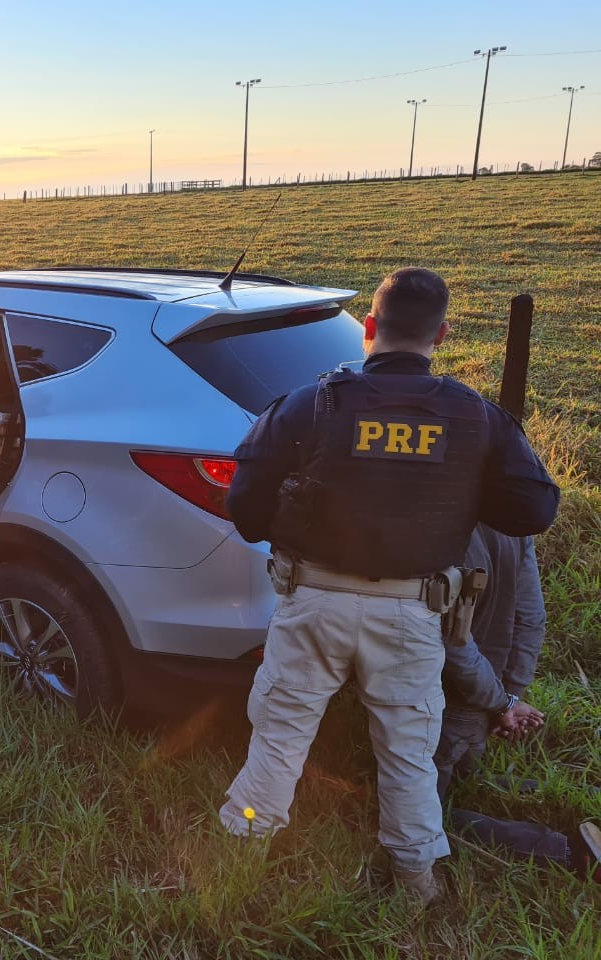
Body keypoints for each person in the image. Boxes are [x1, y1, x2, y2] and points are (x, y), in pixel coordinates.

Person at [218, 267, 560, 903]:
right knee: (407, 758)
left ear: (370, 329)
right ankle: (415, 882)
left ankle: (242, 853)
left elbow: (245, 508)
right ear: (443, 334)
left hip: (311, 603)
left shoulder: (309, 403)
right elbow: (534, 510)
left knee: (280, 739)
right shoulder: (476, 416)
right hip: (411, 615)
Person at [439, 524, 600, 879]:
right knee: (470, 779)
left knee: (418, 813)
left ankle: (572, 854)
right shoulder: (512, 511)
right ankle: (585, 792)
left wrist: (502, 703)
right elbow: (532, 617)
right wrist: (510, 696)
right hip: (482, 704)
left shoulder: (442, 517)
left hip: (448, 705)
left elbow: (451, 642)